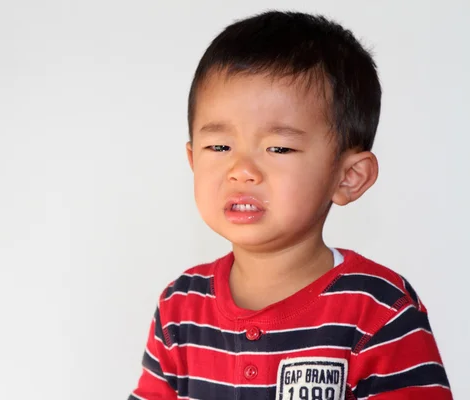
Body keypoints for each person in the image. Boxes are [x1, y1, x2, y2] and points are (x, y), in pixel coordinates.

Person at [128, 10, 451, 400]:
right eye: (219, 146)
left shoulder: (379, 308)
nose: (241, 170)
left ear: (348, 177)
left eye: (278, 147)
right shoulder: (180, 307)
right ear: (193, 159)